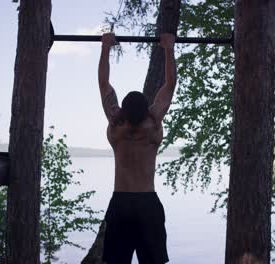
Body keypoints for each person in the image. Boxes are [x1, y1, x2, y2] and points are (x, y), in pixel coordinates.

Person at [98, 32, 177, 264]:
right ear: (147, 110)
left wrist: (105, 48)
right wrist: (168, 49)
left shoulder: (116, 127)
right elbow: (170, 85)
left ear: (122, 108)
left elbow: (103, 84)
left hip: (121, 203)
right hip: (147, 204)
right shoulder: (152, 126)